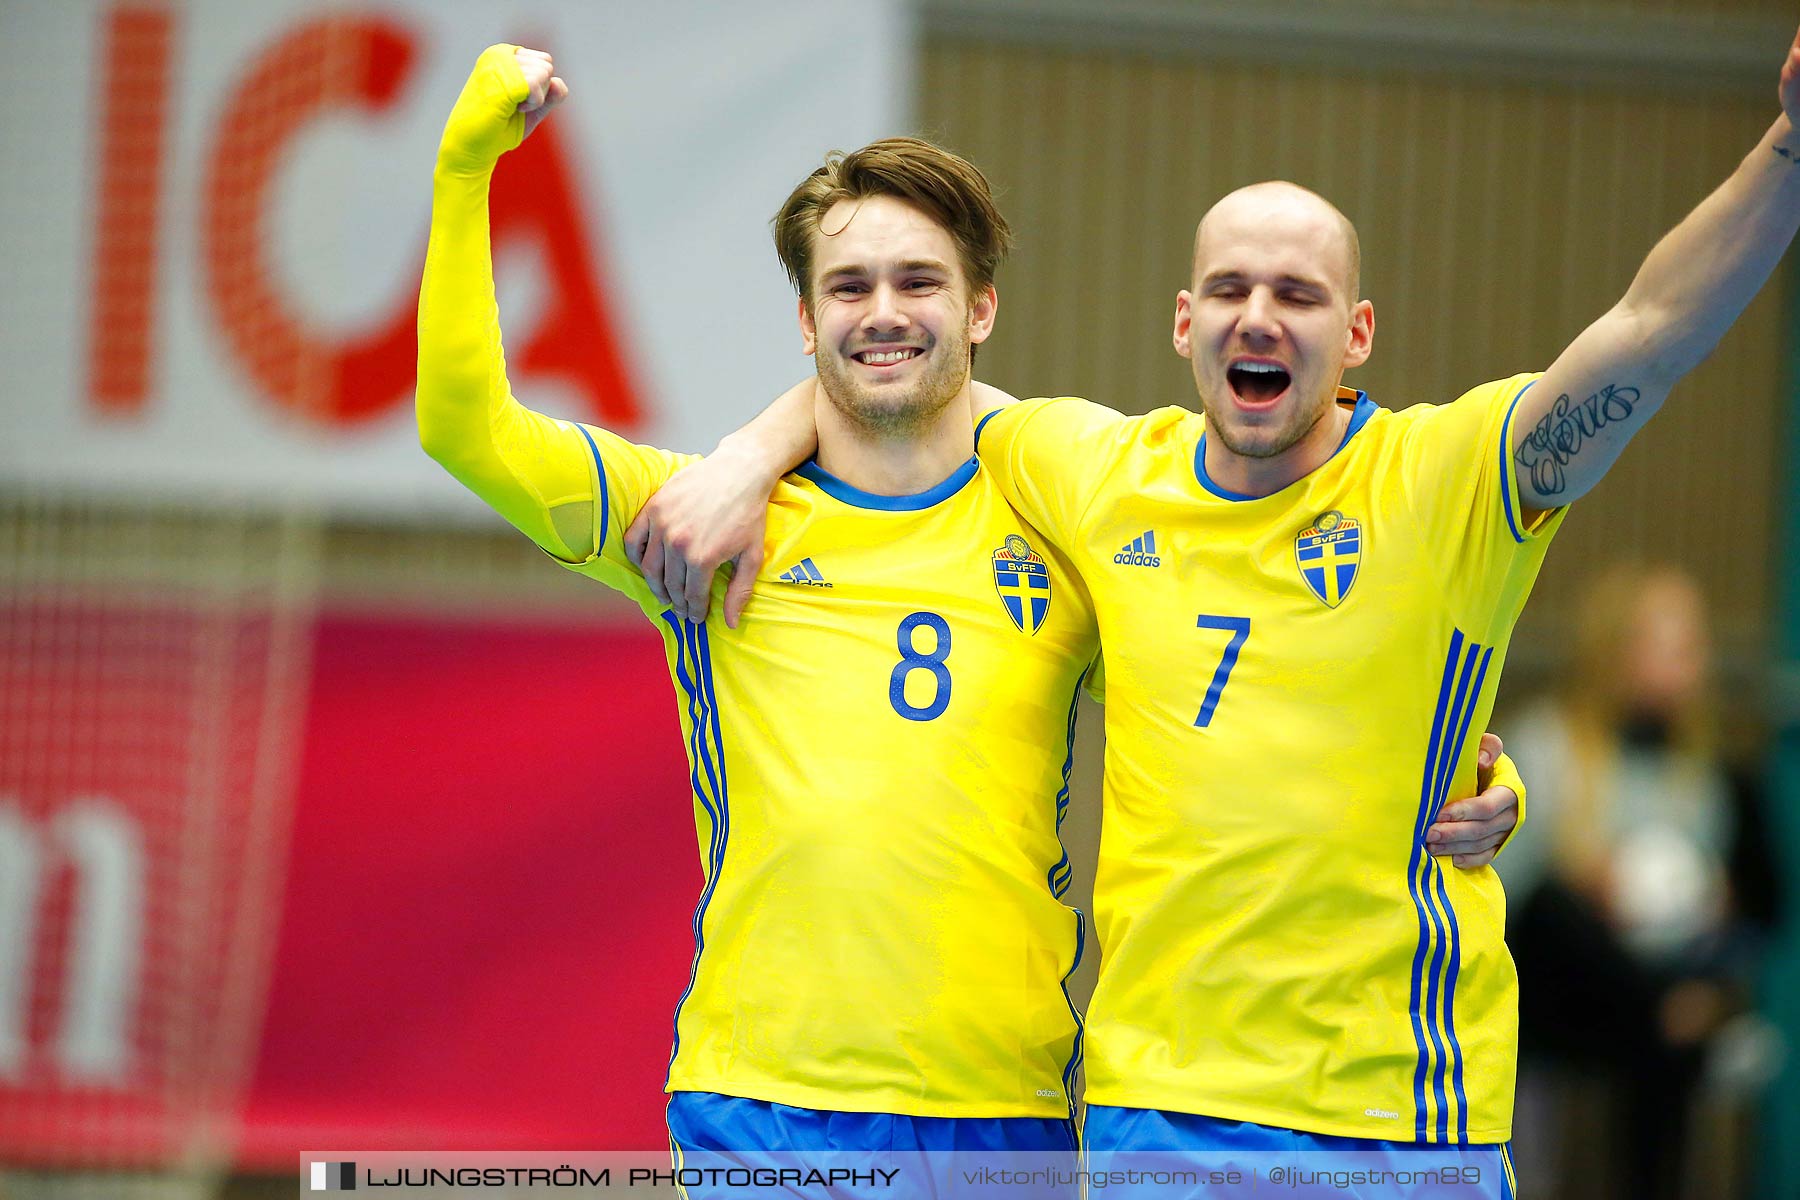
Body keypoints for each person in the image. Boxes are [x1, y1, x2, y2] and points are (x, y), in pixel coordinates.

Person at [631, 22, 1800, 1190]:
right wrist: (747, 454)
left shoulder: (1449, 480)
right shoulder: (1093, 471)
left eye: (1298, 293)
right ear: (1185, 324)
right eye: (1231, 288)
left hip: (1400, 1121)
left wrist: (1789, 151)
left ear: (1356, 336)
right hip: (1160, 1123)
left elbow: (1648, 334)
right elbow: (896, 371)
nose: (1259, 315)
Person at [415, 43, 1521, 1179]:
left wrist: (1478, 775)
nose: (883, 313)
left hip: (1015, 1112)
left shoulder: (1072, 524)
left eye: (919, 283)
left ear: (981, 307)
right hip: (763, 1102)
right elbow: (466, 430)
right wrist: (465, 170)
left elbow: (1270, 680)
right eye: (848, 288)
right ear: (805, 321)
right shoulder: (700, 523)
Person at [1499, 563, 1782, 1199]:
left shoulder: (1700, 773)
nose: (1697, 667)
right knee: (1556, 909)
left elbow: (1732, 903)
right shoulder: (1546, 747)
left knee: (1676, 1030)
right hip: (1560, 994)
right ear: (1617, 651)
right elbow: (1507, 904)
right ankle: (1676, 1013)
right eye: (1677, 648)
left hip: (1661, 985)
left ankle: (1685, 1020)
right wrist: (1586, 881)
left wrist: (1715, 907)